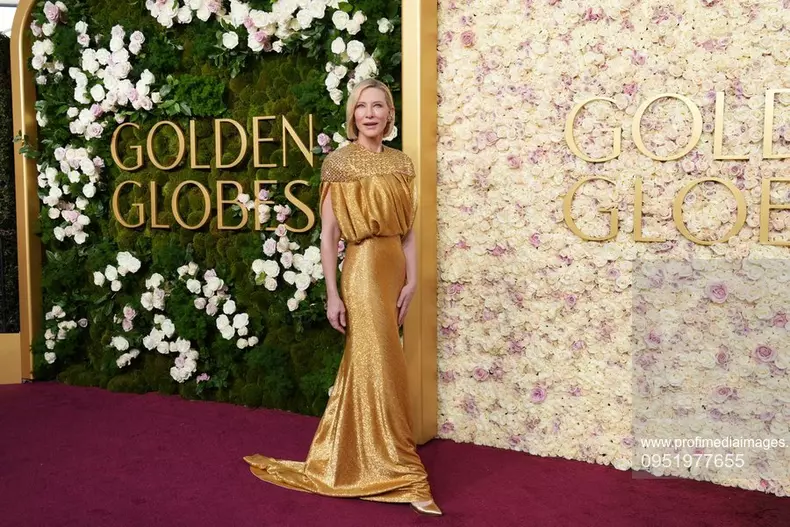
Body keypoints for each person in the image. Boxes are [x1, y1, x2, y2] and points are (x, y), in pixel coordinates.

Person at [243, 79, 442, 516]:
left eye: (378, 106)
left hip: (394, 269)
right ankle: (406, 473)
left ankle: (359, 457)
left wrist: (411, 281)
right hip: (363, 268)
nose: (370, 114)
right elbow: (329, 235)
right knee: (384, 360)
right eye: (362, 107)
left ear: (390, 114)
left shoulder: (403, 163)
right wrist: (333, 293)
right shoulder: (336, 163)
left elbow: (408, 233)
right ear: (352, 116)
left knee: (374, 361)